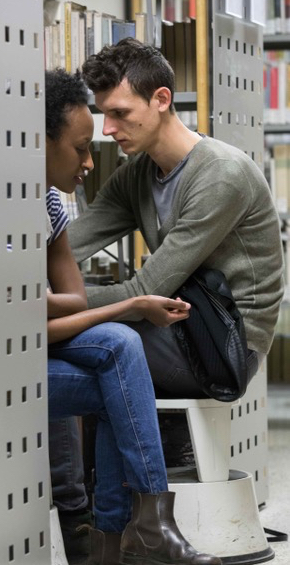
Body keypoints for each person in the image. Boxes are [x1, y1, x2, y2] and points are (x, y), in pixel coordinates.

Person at [44, 68, 223, 565]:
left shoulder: (52, 206)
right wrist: (129, 304)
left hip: (36, 349)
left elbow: (69, 302)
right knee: (125, 365)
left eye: (118, 116)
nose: (90, 161)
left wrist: (27, 304)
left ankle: (127, 543)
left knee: (123, 351)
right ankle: (119, 550)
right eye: (80, 147)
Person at [66, 37, 284, 405]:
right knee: (53, 348)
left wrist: (41, 306)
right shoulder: (135, 175)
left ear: (161, 100)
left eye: (119, 113)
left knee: (63, 343)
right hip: (176, 329)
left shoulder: (221, 175)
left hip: (225, 348)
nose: (107, 129)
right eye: (105, 114)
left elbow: (140, 295)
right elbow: (68, 245)